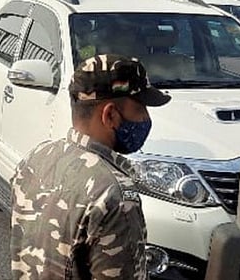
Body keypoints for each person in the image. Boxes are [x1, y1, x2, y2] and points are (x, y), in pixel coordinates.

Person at [10, 54, 171, 279]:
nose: (145, 118)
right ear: (111, 115)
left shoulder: (36, 159)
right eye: (142, 107)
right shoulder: (114, 194)